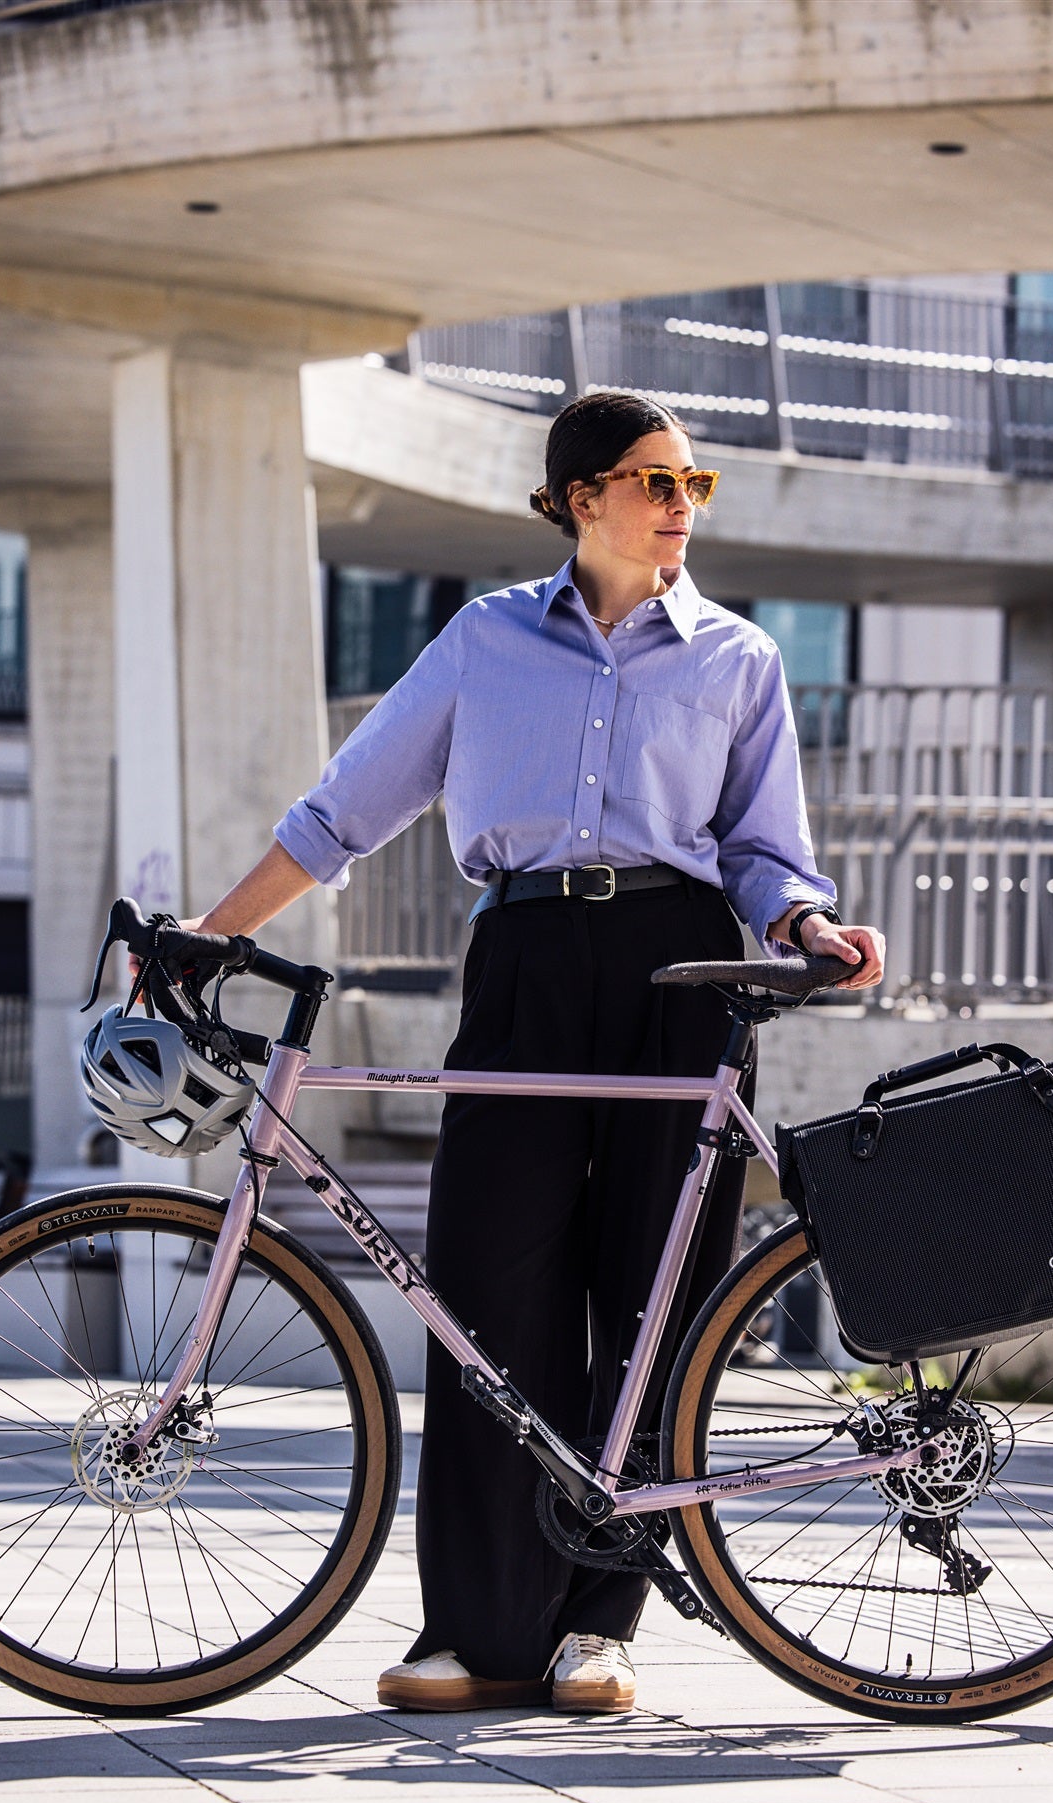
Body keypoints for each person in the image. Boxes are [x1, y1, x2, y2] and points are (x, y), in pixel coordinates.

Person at [179, 390, 885, 1713]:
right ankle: (471, 1631)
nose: (680, 505)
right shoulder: (483, 640)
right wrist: (214, 934)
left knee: (645, 1300)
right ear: (578, 496)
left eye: (692, 484)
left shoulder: (737, 660)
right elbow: (348, 807)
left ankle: (595, 1629)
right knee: (489, 1291)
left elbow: (762, 846)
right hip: (520, 962)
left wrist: (805, 917)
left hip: (682, 969)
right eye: (653, 480)